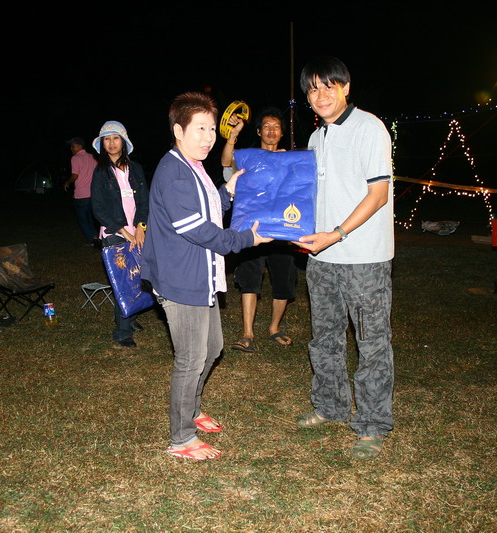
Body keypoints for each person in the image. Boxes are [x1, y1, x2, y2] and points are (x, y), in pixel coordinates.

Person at [142, 92, 271, 461]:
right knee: (190, 359)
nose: (208, 137)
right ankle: (181, 439)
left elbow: (208, 207)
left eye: (212, 129)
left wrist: (227, 191)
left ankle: (192, 410)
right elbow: (201, 230)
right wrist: (246, 239)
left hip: (201, 275)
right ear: (178, 130)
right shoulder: (174, 172)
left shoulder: (192, 165)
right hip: (181, 278)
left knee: (212, 349)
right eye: (199, 128)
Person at [292, 57, 394, 460]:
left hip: (363, 258)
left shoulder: (369, 128)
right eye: (313, 89)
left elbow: (378, 195)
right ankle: (330, 406)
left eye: (328, 86)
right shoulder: (316, 137)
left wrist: (336, 233)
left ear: (346, 87)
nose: (320, 95)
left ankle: (372, 425)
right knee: (325, 339)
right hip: (321, 259)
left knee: (371, 343)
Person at [220, 107, 298, 352]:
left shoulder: (290, 161)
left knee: (283, 279)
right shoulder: (249, 158)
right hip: (252, 230)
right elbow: (226, 163)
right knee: (250, 278)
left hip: (282, 230)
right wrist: (233, 135)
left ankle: (274, 328)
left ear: (282, 133)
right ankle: (247, 333)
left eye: (276, 127)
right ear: (258, 131)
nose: (271, 131)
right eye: (266, 126)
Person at [90, 121, 149, 348]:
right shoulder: (101, 172)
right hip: (114, 233)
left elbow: (144, 200)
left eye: (116, 138)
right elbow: (98, 209)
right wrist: (124, 231)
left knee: (138, 276)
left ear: (123, 142)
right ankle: (122, 331)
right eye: (107, 139)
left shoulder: (136, 168)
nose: (112, 143)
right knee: (123, 281)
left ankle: (131, 318)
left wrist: (141, 227)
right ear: (102, 144)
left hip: (138, 232)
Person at [64, 137, 98, 246]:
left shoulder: (75, 158)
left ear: (79, 146)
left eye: (73, 146)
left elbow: (75, 176)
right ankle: (95, 236)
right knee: (91, 218)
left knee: (82, 219)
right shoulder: (92, 157)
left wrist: (67, 182)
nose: (71, 148)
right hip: (93, 193)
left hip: (81, 194)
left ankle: (90, 240)